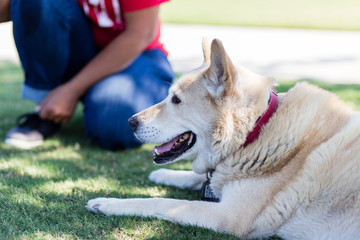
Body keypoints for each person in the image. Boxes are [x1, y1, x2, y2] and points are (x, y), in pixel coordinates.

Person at [0, 0, 174, 150]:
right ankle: (46, 111)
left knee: (114, 126)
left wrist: (71, 90)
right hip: (83, 48)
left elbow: (140, 34)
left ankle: (155, 100)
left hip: (138, 55)